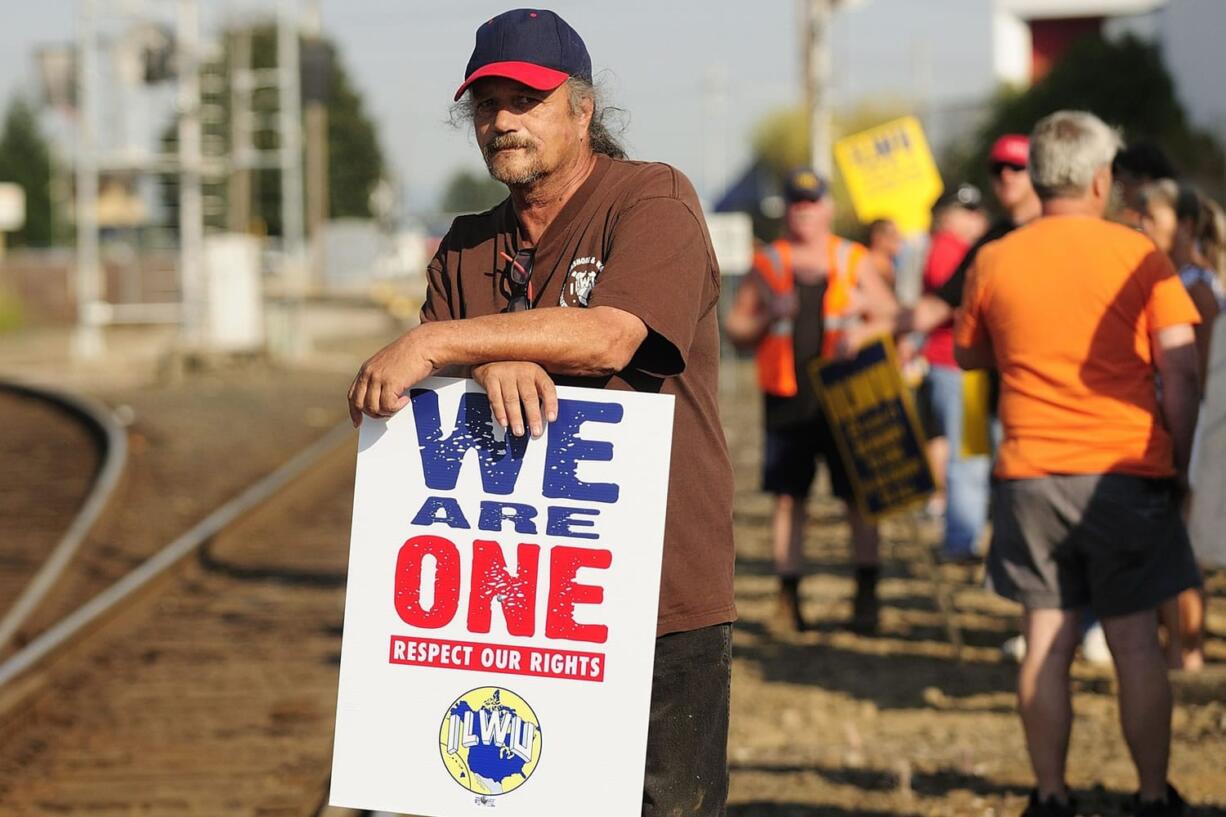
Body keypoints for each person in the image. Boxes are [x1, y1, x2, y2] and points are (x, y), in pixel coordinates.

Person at [346, 10, 735, 815]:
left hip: (661, 591)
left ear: (582, 110)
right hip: (508, 609)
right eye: (486, 104)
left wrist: (452, 342)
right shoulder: (463, 246)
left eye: (526, 99)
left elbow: (612, 335)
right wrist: (489, 355)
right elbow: (432, 400)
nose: (503, 122)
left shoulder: (652, 199)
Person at [955, 110, 1202, 817]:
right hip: (1126, 469)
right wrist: (1181, 462)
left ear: (1035, 177)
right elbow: (1180, 370)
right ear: (1101, 180)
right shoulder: (1140, 257)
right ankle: (1153, 795)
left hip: (1031, 471)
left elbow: (970, 353)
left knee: (1045, 640)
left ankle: (1051, 794)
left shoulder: (996, 257)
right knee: (1134, 642)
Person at [723, 168, 897, 634]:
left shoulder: (853, 258)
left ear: (828, 208)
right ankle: (788, 600)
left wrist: (862, 329)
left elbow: (891, 316)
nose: (805, 209)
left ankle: (866, 597)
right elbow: (736, 330)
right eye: (797, 202)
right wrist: (765, 318)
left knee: (858, 498)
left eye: (812, 201)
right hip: (787, 397)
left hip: (845, 394)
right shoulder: (770, 262)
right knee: (788, 499)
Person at [1138, 180, 1225, 672]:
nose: (1143, 227)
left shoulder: (1197, 288)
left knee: (1180, 548)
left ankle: (1185, 653)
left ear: (1185, 226)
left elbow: (1203, 379)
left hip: (1192, 436)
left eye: (1153, 218)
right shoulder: (1174, 280)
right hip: (1174, 430)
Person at [916, 183, 988, 560]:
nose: (975, 218)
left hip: (956, 363)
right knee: (966, 454)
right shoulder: (948, 248)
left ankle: (964, 535)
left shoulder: (953, 247)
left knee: (964, 451)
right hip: (953, 363)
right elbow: (954, 304)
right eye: (967, 211)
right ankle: (962, 538)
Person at [865, 218, 902, 292]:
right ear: (878, 238)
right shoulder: (873, 264)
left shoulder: (888, 263)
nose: (898, 238)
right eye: (893, 234)